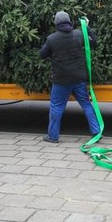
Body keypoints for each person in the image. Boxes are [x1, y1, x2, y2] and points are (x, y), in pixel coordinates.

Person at [39, 11, 100, 143]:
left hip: (61, 80)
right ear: (69, 21)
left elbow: (42, 54)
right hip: (79, 78)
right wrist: (87, 28)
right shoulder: (79, 34)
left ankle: (53, 137)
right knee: (86, 104)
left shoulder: (52, 39)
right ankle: (96, 132)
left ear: (56, 23)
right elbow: (94, 43)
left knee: (56, 107)